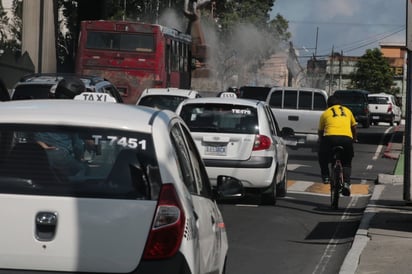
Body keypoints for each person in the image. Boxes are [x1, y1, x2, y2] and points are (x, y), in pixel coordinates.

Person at [35, 76, 90, 176]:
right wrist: (80, 157)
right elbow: (78, 146)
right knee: (84, 170)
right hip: (60, 158)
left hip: (35, 158)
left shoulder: (40, 111)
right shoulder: (72, 117)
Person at [318, 95, 357, 196]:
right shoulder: (348, 111)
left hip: (330, 138)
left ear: (328, 105)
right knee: (347, 162)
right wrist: (353, 139)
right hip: (346, 139)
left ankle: (326, 176)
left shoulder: (325, 113)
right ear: (340, 104)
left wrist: (322, 142)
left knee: (322, 156)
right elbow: (354, 127)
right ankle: (346, 184)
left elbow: (321, 131)